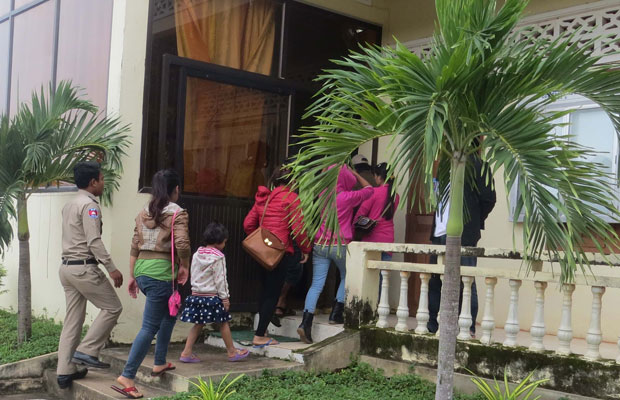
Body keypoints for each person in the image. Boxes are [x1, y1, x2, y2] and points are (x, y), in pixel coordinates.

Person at [113, 169, 190, 400]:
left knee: (169, 315)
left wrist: (133, 276)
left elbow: (135, 245)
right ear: (175, 190)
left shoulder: (143, 212)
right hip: (161, 273)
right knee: (149, 326)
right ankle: (127, 376)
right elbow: (183, 243)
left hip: (143, 271)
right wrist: (185, 265)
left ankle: (159, 362)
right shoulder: (177, 212)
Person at [57, 161, 124, 389]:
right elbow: (93, 241)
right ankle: (87, 351)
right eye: (102, 179)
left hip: (66, 268)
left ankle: (64, 372)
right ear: (93, 182)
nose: (104, 183)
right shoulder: (89, 206)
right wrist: (111, 267)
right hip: (84, 268)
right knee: (113, 307)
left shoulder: (70, 204)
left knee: (72, 321)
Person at [298, 165, 373, 343]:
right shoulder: (346, 197)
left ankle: (305, 323)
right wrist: (356, 173)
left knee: (316, 284)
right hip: (339, 245)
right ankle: (336, 312)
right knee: (346, 275)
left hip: (320, 244)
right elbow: (369, 190)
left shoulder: (322, 195)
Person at [244, 166, 312, 347]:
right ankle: (260, 336)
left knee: (264, 290)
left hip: (261, 253)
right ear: (292, 181)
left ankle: (262, 329)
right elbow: (298, 229)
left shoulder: (264, 198)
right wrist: (305, 249)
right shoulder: (292, 199)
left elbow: (248, 224)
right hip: (280, 253)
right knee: (272, 294)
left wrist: (260, 240)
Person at [427, 158, 496, 336]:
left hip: (464, 234)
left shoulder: (478, 166)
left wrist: (473, 220)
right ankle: (432, 324)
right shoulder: (444, 165)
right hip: (440, 233)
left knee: (466, 281)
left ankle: (468, 327)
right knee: (435, 280)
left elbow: (489, 199)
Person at [179, 222, 249, 362]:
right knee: (223, 323)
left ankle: (186, 353)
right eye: (225, 242)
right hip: (212, 296)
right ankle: (232, 352)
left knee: (198, 323)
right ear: (220, 241)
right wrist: (225, 298)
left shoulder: (197, 253)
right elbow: (220, 279)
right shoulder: (218, 257)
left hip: (197, 295)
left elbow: (194, 273)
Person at [354, 162, 400, 262]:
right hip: (388, 239)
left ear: (379, 177)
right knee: (383, 275)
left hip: (372, 239)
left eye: (375, 175)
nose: (374, 178)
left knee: (370, 276)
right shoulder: (396, 196)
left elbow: (360, 214)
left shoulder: (373, 192)